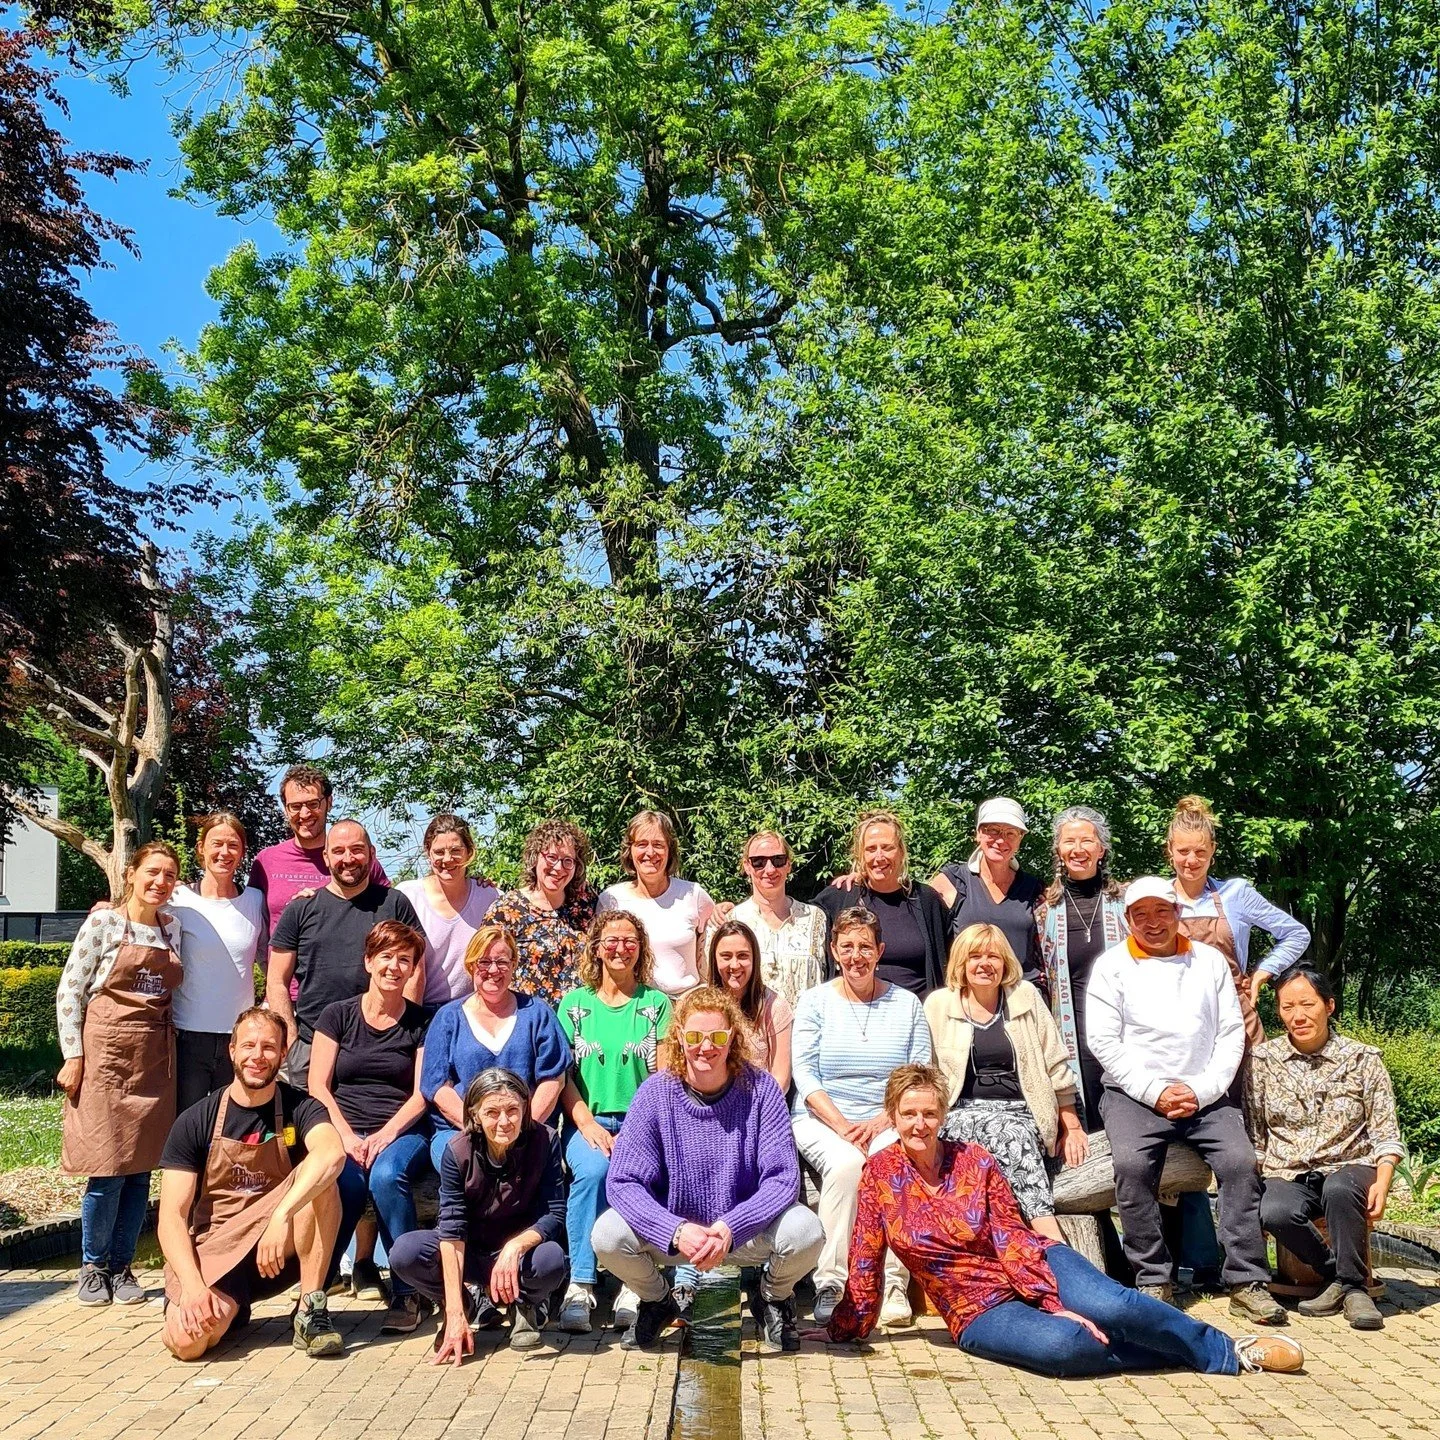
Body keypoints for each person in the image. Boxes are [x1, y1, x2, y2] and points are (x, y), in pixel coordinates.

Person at [819, 1063, 1303, 1379]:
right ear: (892, 1116)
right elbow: (865, 1264)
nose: (919, 1124)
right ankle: (1173, 1351)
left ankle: (1226, 1350)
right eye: (909, 1114)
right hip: (975, 1310)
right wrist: (844, 1327)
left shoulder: (975, 1161)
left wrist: (1050, 1301)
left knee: (1115, 1307)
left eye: (929, 1113)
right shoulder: (879, 1177)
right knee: (1067, 1348)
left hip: (1035, 1263)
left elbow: (1012, 1237)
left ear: (943, 1115)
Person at [1085, 877, 1286, 1325]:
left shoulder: (1210, 962)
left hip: (1206, 1093)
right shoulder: (1112, 966)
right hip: (1133, 1093)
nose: (1153, 922)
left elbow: (1231, 1034)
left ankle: (1247, 1280)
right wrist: (1154, 1092)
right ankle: (1153, 1278)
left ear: (1179, 914)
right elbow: (1103, 1040)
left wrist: (1202, 1089)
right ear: (1127, 921)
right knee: (1134, 1168)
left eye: (1162, 912)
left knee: (1239, 1162)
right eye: (1142, 914)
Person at [592, 986, 825, 1354]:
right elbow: (623, 1182)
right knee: (607, 1235)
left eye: (717, 1036)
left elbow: (782, 1178)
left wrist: (730, 1227)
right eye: (695, 1037)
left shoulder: (761, 1090)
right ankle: (657, 1300)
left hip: (742, 1232)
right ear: (679, 1037)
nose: (706, 1047)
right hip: (675, 1234)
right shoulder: (655, 1093)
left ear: (733, 1037)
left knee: (806, 1232)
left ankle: (772, 1297)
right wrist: (675, 1229)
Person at [1168, 795, 1312, 1283]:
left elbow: (1295, 933)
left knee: (1245, 1143)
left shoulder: (1235, 894)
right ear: (1170, 850)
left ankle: (1248, 1262)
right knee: (1185, 1140)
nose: (1191, 861)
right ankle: (1200, 1257)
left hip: (1237, 1023)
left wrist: (1263, 974)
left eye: (1200, 853)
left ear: (1212, 852)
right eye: (1183, 851)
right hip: (1180, 1031)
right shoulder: (1151, 900)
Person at [158, 1008, 347, 1360]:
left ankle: (310, 1311)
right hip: (218, 1251)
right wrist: (194, 1286)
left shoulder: (300, 1107)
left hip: (277, 1250)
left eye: (268, 1047)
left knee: (324, 1183)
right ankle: (232, 1309)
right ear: (232, 1051)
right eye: (248, 1046)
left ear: (284, 1053)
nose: (257, 1057)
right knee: (187, 1344)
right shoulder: (196, 1120)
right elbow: (171, 1217)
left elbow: (332, 1153)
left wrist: (281, 1217)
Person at [791, 904, 934, 1329]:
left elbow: (918, 1072)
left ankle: (892, 1283)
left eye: (865, 947)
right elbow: (805, 1072)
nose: (856, 956)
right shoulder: (815, 1002)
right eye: (847, 947)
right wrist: (842, 1126)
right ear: (834, 950)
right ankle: (831, 1282)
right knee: (849, 1164)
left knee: (892, 1164)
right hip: (821, 1118)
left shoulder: (906, 1004)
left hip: (888, 1120)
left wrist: (882, 1120)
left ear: (880, 950)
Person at [56, 840, 185, 1307]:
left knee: (141, 1171)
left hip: (153, 1060)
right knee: (107, 1169)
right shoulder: (103, 922)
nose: (160, 882)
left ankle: (122, 1266)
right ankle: (92, 1267)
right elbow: (70, 990)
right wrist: (73, 1056)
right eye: (152, 871)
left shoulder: (174, 927)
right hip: (106, 1057)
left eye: (169, 875)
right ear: (131, 873)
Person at [1250, 964, 1404, 1331]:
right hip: (1287, 1169)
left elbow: (1386, 1131)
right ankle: (1337, 1275)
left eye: (1307, 1004)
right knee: (1274, 1210)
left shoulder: (1363, 1059)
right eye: (1287, 1007)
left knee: (1339, 1188)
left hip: (1351, 1165)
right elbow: (1256, 1136)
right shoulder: (1262, 1062)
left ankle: (1355, 1290)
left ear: (1329, 1006)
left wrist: (1383, 1181)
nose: (1298, 1015)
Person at [390, 1069, 568, 1359]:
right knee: (405, 1252)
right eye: (492, 1112)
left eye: (513, 1110)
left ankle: (522, 1305)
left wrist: (515, 1247)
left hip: (519, 1254)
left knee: (551, 1259)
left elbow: (554, 1212)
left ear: (525, 1108)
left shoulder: (545, 1140)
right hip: (471, 1250)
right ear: (475, 1114)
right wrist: (454, 1310)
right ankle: (462, 1305)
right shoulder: (457, 1151)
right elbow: (452, 1228)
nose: (504, 1121)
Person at [925, 923, 1085, 1242]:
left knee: (1010, 1133)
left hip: (1025, 1112)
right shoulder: (939, 1005)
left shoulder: (1025, 997)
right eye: (975, 956)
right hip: (959, 1114)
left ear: (1005, 963)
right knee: (1002, 1135)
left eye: (993, 956)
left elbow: (1055, 1063)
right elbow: (927, 1072)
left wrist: (1073, 1125)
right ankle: (1047, 1231)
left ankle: (1027, 1239)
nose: (984, 963)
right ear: (961, 962)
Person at [309, 920, 432, 1333]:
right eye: (386, 957)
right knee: (343, 1184)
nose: (394, 967)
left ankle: (406, 1290)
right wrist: (344, 1135)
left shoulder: (421, 1022)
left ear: (414, 968)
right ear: (368, 961)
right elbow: (318, 1085)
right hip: (343, 1128)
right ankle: (316, 1293)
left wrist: (384, 1135)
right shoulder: (337, 1015)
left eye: (405, 959)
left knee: (385, 1175)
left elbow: (421, 1095)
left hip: (401, 1131)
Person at [554, 911, 672, 1334]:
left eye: (629, 940)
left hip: (644, 1124)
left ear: (640, 949)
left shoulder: (655, 1005)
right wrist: (585, 1122)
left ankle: (632, 1285)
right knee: (593, 1172)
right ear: (596, 947)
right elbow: (561, 1075)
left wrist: (635, 1130)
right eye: (611, 940)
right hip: (586, 1120)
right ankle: (581, 1284)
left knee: (639, 1178)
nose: (619, 948)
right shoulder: (574, 1005)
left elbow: (663, 1076)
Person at [266, 819, 421, 1090]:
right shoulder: (300, 910)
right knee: (307, 1129)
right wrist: (290, 1039)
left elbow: (415, 970)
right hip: (310, 1045)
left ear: (372, 854)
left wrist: (401, 1033)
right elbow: (276, 980)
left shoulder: (394, 903)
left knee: (375, 1129)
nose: (348, 859)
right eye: (338, 851)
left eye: (357, 849)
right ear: (326, 857)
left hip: (380, 1047)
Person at [421, 925, 571, 1173]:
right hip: (462, 1131)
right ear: (470, 966)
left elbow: (553, 1081)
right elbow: (437, 1087)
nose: (493, 970)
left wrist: (518, 1129)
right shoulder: (448, 1018)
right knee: (470, 1171)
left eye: (501, 962)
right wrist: (484, 1130)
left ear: (513, 965)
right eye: (484, 962)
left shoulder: (537, 1013)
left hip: (529, 1130)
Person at [1036, 805, 1128, 1131]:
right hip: (1072, 1035)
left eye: (1087, 841)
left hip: (1126, 1032)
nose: (1078, 850)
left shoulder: (1127, 902)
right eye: (1069, 842)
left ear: (1101, 849)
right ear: (1058, 850)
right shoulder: (1044, 909)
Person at [170, 813, 269, 1112]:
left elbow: (269, 957)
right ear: (200, 848)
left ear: (242, 851)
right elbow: (139, 914)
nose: (224, 853)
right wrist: (111, 907)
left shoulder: (255, 900)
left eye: (233, 845)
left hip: (239, 1036)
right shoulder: (177, 898)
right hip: (187, 1033)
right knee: (188, 1122)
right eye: (216, 844)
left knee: (233, 1120)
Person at [813, 810, 948, 996]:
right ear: (860, 855)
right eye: (870, 849)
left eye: (887, 847)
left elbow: (953, 955)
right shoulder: (840, 897)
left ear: (901, 851)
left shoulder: (926, 900)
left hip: (917, 1016)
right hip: (854, 1015)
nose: (879, 856)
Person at [248, 763, 388, 936]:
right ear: (285, 810)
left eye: (313, 804)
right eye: (296, 806)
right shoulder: (266, 860)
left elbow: (387, 916)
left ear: (329, 802)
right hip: (282, 962)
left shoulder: (355, 860)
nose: (305, 814)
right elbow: (254, 925)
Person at [930, 798, 1045, 993]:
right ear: (978, 834)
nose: (1001, 840)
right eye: (993, 830)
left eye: (1010, 833)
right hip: (967, 999)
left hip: (1022, 997)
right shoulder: (952, 881)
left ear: (1020, 839)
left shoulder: (1034, 889)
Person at [597, 811, 715, 1000]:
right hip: (633, 1004)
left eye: (658, 845)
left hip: (685, 1005)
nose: (650, 853)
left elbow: (718, 939)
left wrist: (724, 909)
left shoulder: (694, 894)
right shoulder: (611, 900)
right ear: (630, 850)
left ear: (670, 851)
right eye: (641, 844)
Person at [484, 819, 597, 1005]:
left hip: (579, 1020)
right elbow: (484, 969)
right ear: (535, 857)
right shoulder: (507, 909)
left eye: (568, 861)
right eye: (551, 857)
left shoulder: (586, 903)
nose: (559, 868)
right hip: (527, 1019)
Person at [397, 814, 499, 1011]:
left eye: (455, 851)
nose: (447, 859)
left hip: (472, 1011)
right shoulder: (407, 895)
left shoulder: (490, 897)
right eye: (439, 852)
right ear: (428, 853)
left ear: (469, 852)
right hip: (418, 1011)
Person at [720, 831, 827, 1008]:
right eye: (759, 862)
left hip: (805, 1032)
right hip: (750, 1031)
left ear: (788, 865)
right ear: (747, 866)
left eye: (778, 860)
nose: (769, 869)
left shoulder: (816, 919)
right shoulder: (731, 921)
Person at [709, 919, 793, 1093]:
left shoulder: (775, 1006)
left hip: (759, 1105)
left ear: (754, 958)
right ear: (714, 959)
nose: (735, 965)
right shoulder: (700, 1004)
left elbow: (781, 1078)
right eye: (726, 956)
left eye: (742, 956)